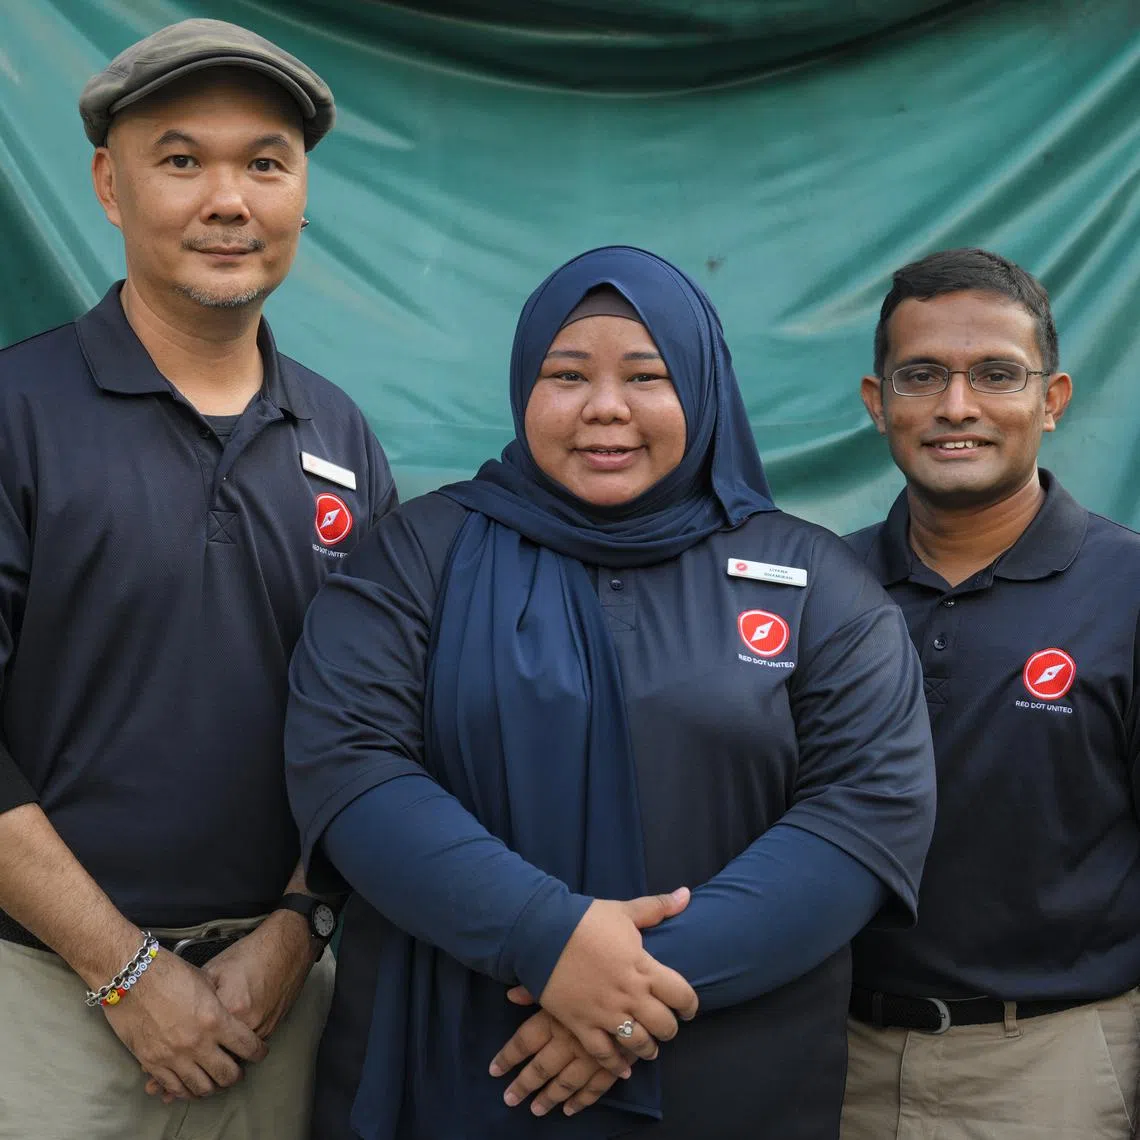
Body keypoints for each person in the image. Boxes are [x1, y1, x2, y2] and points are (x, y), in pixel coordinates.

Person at [285, 245, 936, 1140]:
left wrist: (628, 989)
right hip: (462, 1071)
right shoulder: (414, 556)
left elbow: (867, 816)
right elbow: (349, 768)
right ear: (523, 386)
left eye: (647, 375)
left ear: (703, 391)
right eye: (566, 374)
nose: (605, 407)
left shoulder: (812, 578)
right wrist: (542, 937)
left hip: (730, 1076)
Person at [0, 18, 396, 1140]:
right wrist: (125, 972)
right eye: (182, 160)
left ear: (303, 193)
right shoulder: (16, 416)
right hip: (40, 1004)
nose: (229, 200)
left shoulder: (340, 435)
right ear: (108, 186)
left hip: (274, 1002)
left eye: (264, 162)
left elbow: (375, 720)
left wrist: (295, 927)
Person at [841, 247, 1140, 1139]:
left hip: (1054, 1070)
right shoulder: (823, 588)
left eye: (996, 375)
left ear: (1052, 402)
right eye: (921, 375)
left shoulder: (1126, 591)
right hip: (831, 1061)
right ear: (877, 401)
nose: (956, 407)